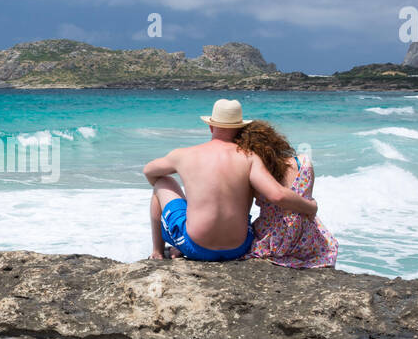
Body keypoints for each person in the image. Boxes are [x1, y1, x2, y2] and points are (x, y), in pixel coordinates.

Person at [143, 99, 318, 261]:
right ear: (240, 129)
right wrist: (310, 207)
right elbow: (277, 195)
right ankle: (181, 243)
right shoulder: (250, 157)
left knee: (162, 182)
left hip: (196, 246)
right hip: (238, 248)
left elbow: (149, 171)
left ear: (211, 126)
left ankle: (158, 252)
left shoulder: (183, 155)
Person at [236, 121, 338, 269]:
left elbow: (244, 211)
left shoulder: (256, 175)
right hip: (308, 240)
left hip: (275, 241)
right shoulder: (304, 162)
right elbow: (307, 196)